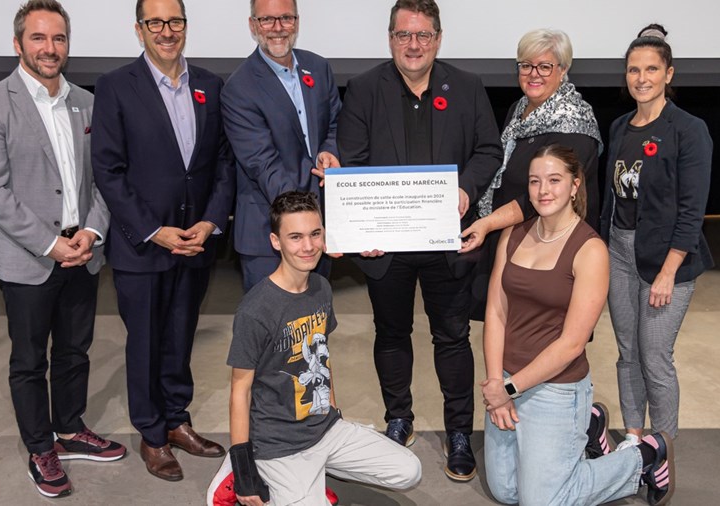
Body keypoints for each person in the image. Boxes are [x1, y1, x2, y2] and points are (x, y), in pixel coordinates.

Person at [0, 0, 124, 497]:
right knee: (30, 359)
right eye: (38, 38)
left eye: (58, 39)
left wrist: (91, 234)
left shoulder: (87, 102)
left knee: (75, 351)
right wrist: (52, 244)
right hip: (28, 257)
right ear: (18, 44)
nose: (49, 48)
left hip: (84, 251)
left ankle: (70, 429)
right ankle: (40, 447)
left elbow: (105, 180)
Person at [336, 0, 502, 482]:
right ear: (391, 39)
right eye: (404, 35)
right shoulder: (365, 90)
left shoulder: (467, 87)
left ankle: (457, 434)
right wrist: (360, 225)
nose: (414, 45)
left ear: (438, 39)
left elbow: (488, 150)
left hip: (447, 244)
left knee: (451, 338)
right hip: (385, 249)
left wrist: (466, 189)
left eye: (423, 35)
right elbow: (353, 160)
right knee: (390, 334)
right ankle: (399, 418)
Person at [481, 144, 675, 506]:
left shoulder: (590, 250)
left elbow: (572, 343)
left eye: (555, 180)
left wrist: (508, 389)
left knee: (540, 501)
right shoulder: (513, 235)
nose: (543, 190)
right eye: (535, 181)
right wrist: (496, 382)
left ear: (574, 185)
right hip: (505, 380)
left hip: (555, 389)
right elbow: (496, 313)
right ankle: (589, 430)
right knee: (506, 492)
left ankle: (644, 456)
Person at [91, 0, 236, 481]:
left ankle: (177, 420)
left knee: (180, 338)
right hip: (143, 247)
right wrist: (155, 232)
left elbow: (221, 163)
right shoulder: (115, 87)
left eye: (174, 21)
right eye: (155, 22)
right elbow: (108, 171)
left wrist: (211, 223)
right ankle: (152, 434)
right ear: (139, 30)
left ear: (185, 28)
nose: (166, 30)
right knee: (145, 344)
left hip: (195, 244)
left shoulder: (210, 86)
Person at [217, 191, 420, 506]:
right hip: (278, 443)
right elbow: (239, 390)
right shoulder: (255, 310)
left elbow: (322, 356)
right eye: (295, 237)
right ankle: (241, 469)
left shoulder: (321, 288)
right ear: (276, 241)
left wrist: (335, 414)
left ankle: (317, 470)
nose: (308, 246)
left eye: (315, 234)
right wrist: (245, 472)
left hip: (324, 428)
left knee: (409, 471)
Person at [600, 24, 714, 450]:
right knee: (628, 351)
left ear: (669, 73)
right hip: (619, 251)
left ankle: (661, 446)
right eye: (633, 70)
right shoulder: (619, 127)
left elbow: (692, 211)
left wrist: (669, 272)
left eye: (651, 69)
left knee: (655, 358)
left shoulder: (688, 129)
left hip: (668, 261)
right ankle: (633, 438)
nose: (641, 78)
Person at [458, 28, 603, 320]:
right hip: (515, 244)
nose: (533, 74)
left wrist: (487, 223)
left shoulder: (574, 122)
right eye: (526, 65)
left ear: (563, 70)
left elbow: (540, 196)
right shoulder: (519, 110)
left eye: (545, 66)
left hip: (552, 257)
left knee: (544, 340)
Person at [222, 0, 342, 292]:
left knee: (315, 328)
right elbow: (263, 165)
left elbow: (335, 124)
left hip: (319, 228)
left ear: (297, 22)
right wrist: (307, 223)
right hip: (269, 236)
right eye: (267, 20)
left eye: (286, 18)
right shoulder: (239, 88)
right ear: (252, 25)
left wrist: (330, 151)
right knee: (272, 332)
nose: (277, 28)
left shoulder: (318, 67)